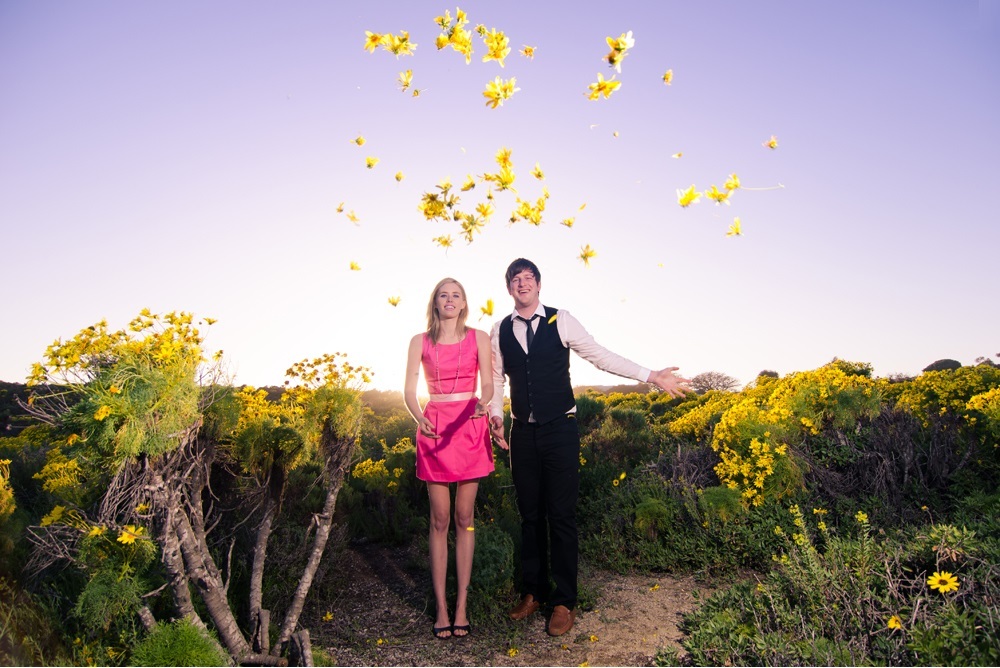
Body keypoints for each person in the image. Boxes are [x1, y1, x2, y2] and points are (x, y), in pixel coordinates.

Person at [488, 258, 690, 637]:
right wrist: (495, 416)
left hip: (560, 430)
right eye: (516, 279)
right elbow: (496, 380)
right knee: (530, 516)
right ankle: (534, 592)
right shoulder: (498, 330)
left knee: (561, 516)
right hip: (523, 434)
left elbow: (600, 356)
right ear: (509, 288)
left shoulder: (561, 320)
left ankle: (564, 601)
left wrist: (651, 376)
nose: (523, 283)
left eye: (529, 278)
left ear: (539, 285)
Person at [404, 277, 495, 640]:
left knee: (464, 517)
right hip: (436, 429)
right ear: (435, 302)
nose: (450, 299)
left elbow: (488, 384)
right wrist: (419, 418)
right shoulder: (419, 341)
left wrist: (483, 403)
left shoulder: (479, 338)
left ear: (464, 302)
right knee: (440, 519)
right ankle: (442, 607)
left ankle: (462, 607)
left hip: (469, 424)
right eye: (444, 294)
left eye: (456, 295)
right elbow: (408, 390)